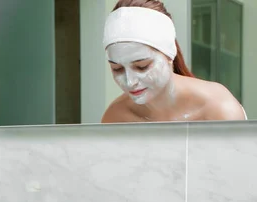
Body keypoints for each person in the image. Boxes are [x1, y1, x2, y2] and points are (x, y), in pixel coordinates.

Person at [101, 0, 247, 123]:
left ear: (170, 55)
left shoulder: (218, 107)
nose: (130, 82)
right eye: (117, 69)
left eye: (142, 67)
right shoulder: (116, 117)